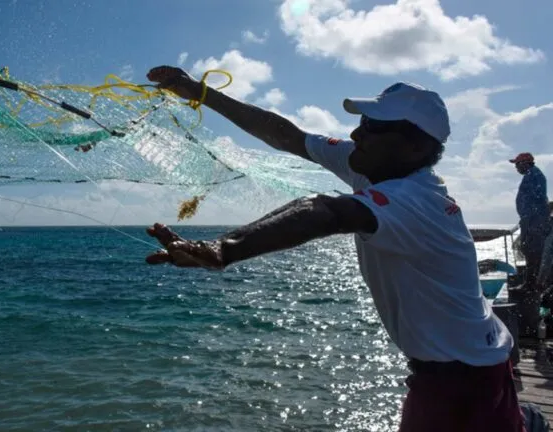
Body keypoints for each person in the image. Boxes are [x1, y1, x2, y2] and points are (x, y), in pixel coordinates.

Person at [143, 66, 524, 431]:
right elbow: (287, 135)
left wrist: (222, 249)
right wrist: (201, 93)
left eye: (374, 127)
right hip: (480, 359)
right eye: (363, 121)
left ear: (415, 147)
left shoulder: (416, 200)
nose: (357, 133)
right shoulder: (372, 163)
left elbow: (324, 212)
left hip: (462, 382)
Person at [511, 152, 550, 290]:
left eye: (517, 164)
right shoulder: (531, 175)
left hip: (534, 222)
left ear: (525, 163)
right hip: (531, 221)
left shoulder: (534, 175)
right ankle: (531, 283)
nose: (516, 167)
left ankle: (531, 285)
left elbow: (537, 199)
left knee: (533, 252)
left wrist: (529, 219)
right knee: (529, 251)